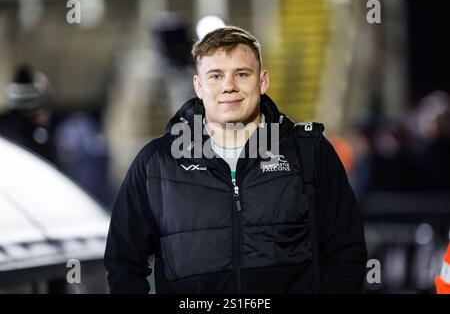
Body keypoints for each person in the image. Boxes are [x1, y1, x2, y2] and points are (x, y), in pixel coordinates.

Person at [104, 26, 367, 293]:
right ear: (198, 86)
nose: (228, 86)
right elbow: (123, 260)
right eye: (215, 76)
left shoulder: (309, 152)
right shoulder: (156, 162)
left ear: (262, 81)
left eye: (241, 74)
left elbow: (346, 251)